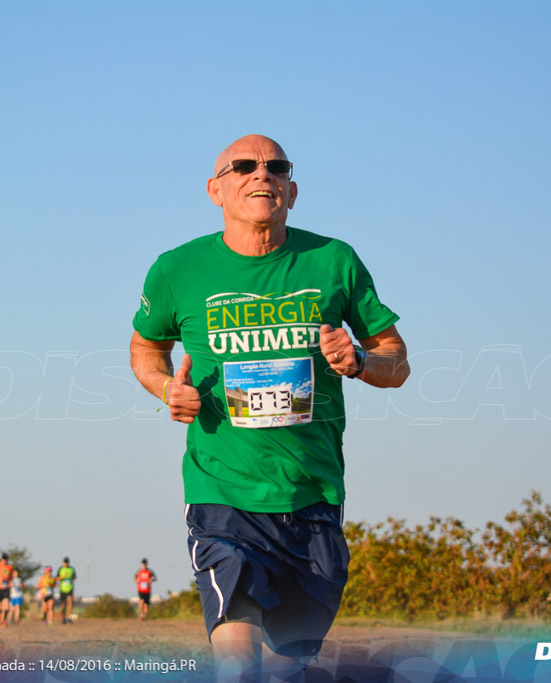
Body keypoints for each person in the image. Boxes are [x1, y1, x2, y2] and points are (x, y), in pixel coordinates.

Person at [130, 134, 409, 681]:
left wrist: (357, 360)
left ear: (292, 190)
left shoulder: (334, 260)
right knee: (240, 663)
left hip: (314, 497)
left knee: (285, 669)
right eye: (244, 166)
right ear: (216, 189)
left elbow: (395, 360)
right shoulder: (176, 269)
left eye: (276, 167)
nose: (262, 174)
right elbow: (145, 350)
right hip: (223, 493)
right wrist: (167, 389)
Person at [57, 557, 77, 624]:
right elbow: (57, 578)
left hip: (70, 588)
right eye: (65, 562)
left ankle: (69, 617)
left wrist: (71, 578)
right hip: (63, 588)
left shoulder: (72, 569)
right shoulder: (61, 569)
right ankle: (63, 618)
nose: (66, 564)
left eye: (67, 562)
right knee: (63, 604)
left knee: (70, 602)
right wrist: (63, 577)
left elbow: (74, 577)